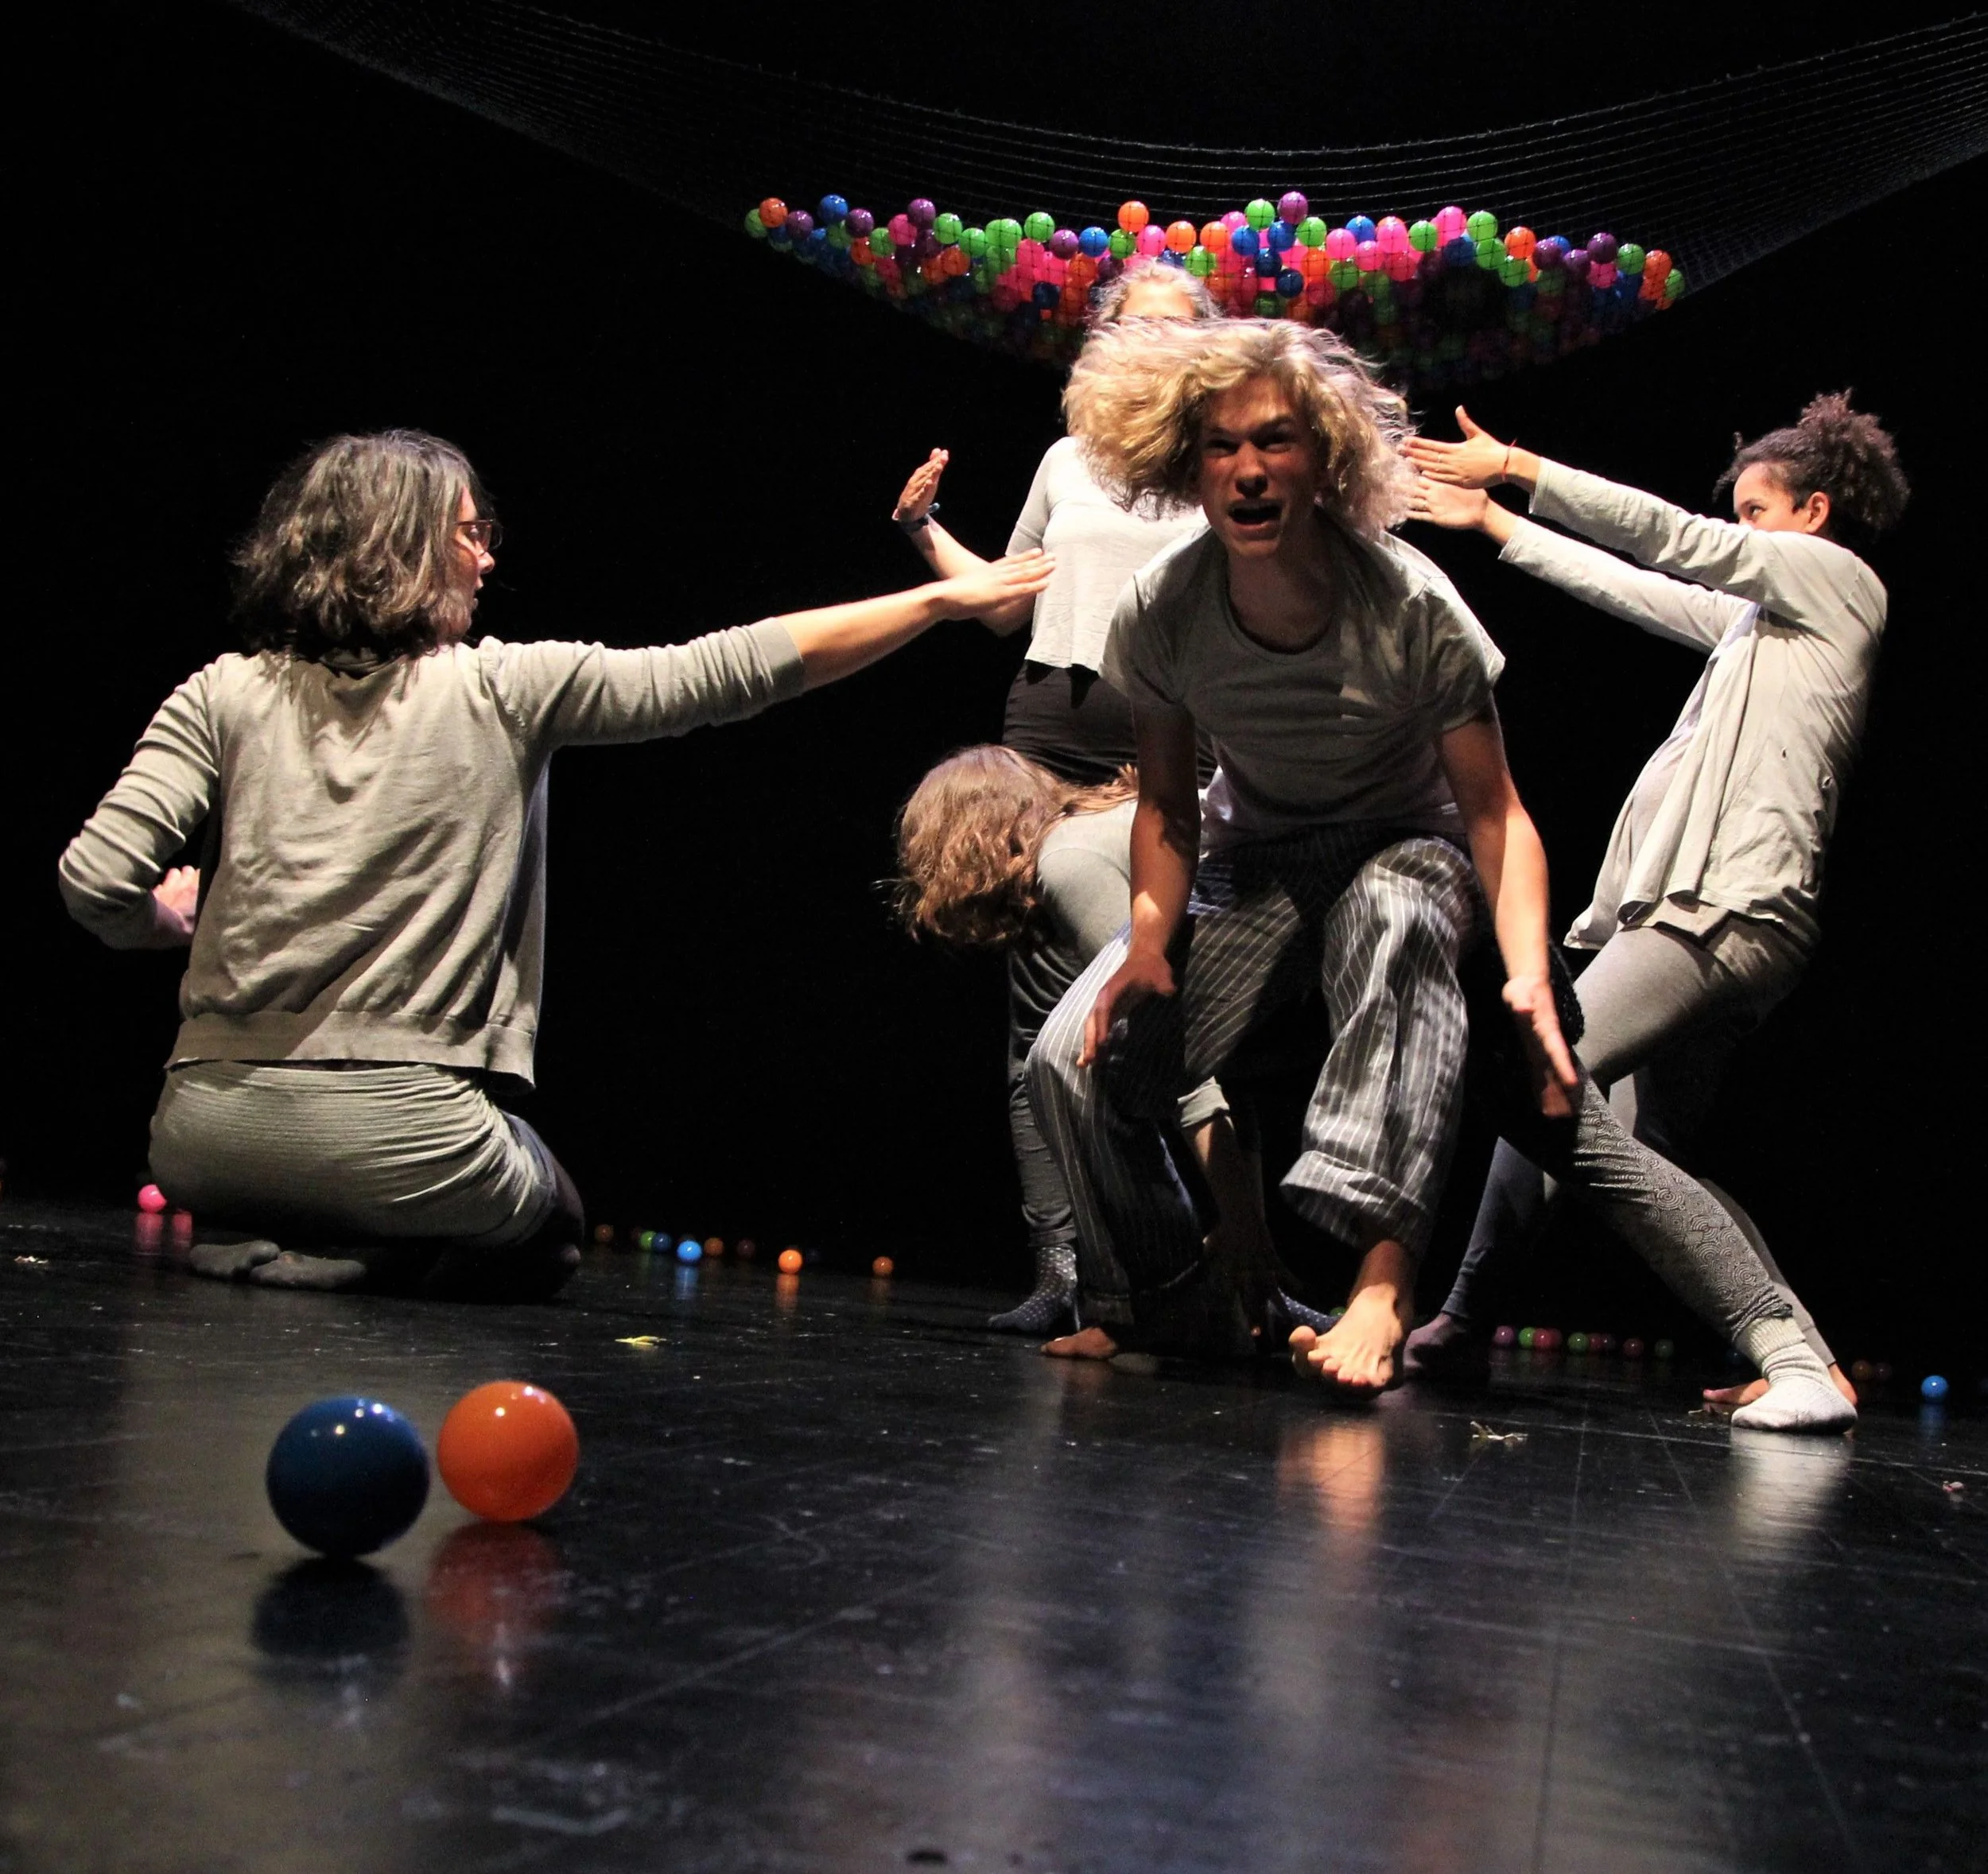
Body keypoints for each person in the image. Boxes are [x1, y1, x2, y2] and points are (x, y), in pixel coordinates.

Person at [1023, 319, 1853, 1433]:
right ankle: (1176, 1301)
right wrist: (1149, 937)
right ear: (1188, 464)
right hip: (1258, 871)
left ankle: (1396, 1287)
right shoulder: (1163, 608)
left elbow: (1495, 814)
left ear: (1324, 458)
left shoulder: (1407, 602)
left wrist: (1526, 974)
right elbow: (1170, 809)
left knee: (1552, 1107)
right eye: (1221, 447)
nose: (1248, 470)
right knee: (1076, 1058)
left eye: (1275, 441)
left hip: (1415, 861)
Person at [59, 429, 1051, 1300]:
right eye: (467, 532)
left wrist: (166, 922)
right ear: (401, 546)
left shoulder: (221, 692)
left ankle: (257, 1240)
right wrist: (935, 601)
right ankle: (358, 1262)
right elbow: (727, 669)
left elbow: (95, 878)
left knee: (319, 1179)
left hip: (199, 1140)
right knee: (552, 1230)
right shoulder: (503, 688)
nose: (486, 556)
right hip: (407, 1141)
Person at [1400, 396, 1907, 1405]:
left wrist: (1519, 468)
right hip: (1726, 921)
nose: (1738, 532)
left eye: (1755, 513)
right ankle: (1806, 1359)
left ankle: (1465, 1319)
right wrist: (1497, 524)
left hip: (1718, 914)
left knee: (1542, 1074)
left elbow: (1672, 538)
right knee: (1635, 1143)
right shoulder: (1763, 628)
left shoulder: (1839, 584)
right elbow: (1637, 587)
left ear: (1812, 512)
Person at [896, 745, 1273, 1335]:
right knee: (1071, 1049)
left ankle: (1164, 1301)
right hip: (1267, 932)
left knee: (1070, 1060)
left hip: (1287, 922)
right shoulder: (1084, 833)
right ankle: (1164, 1299)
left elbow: (1181, 1059)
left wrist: (1245, 1226)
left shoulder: (1068, 862)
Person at [891, 268, 1217, 785]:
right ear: (1107, 341)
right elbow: (1004, 604)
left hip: (1188, 725)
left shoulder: (1226, 458)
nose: (1155, 340)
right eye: (1138, 325)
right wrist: (919, 524)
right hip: (1054, 726)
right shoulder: (1068, 458)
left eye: (1174, 326)